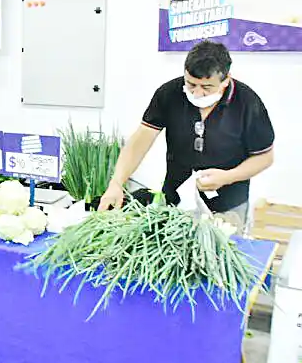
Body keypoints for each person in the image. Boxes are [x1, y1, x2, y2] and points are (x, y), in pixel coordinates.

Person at [98, 40, 274, 232]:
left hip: (227, 206)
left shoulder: (247, 103)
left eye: (207, 87)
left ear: (225, 80)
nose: (197, 93)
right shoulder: (170, 93)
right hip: (176, 201)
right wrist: (116, 183)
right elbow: (141, 139)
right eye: (191, 84)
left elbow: (265, 157)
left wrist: (227, 177)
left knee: (220, 247)